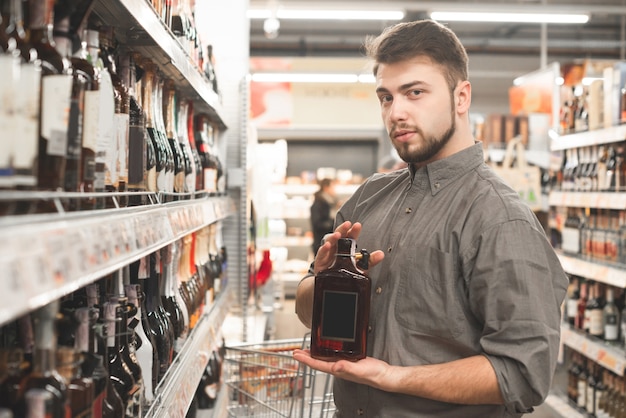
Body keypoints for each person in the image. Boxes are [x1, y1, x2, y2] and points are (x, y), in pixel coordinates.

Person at [293, 19, 568, 418]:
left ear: (461, 97)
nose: (396, 112)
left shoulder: (500, 219)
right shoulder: (368, 198)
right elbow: (308, 312)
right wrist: (320, 284)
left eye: (415, 93)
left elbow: (524, 374)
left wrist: (393, 377)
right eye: (386, 98)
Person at [310, 178, 338, 255]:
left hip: (327, 243)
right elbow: (317, 224)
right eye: (333, 187)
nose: (334, 190)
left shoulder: (329, 203)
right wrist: (334, 223)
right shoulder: (319, 204)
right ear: (326, 188)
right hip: (321, 244)